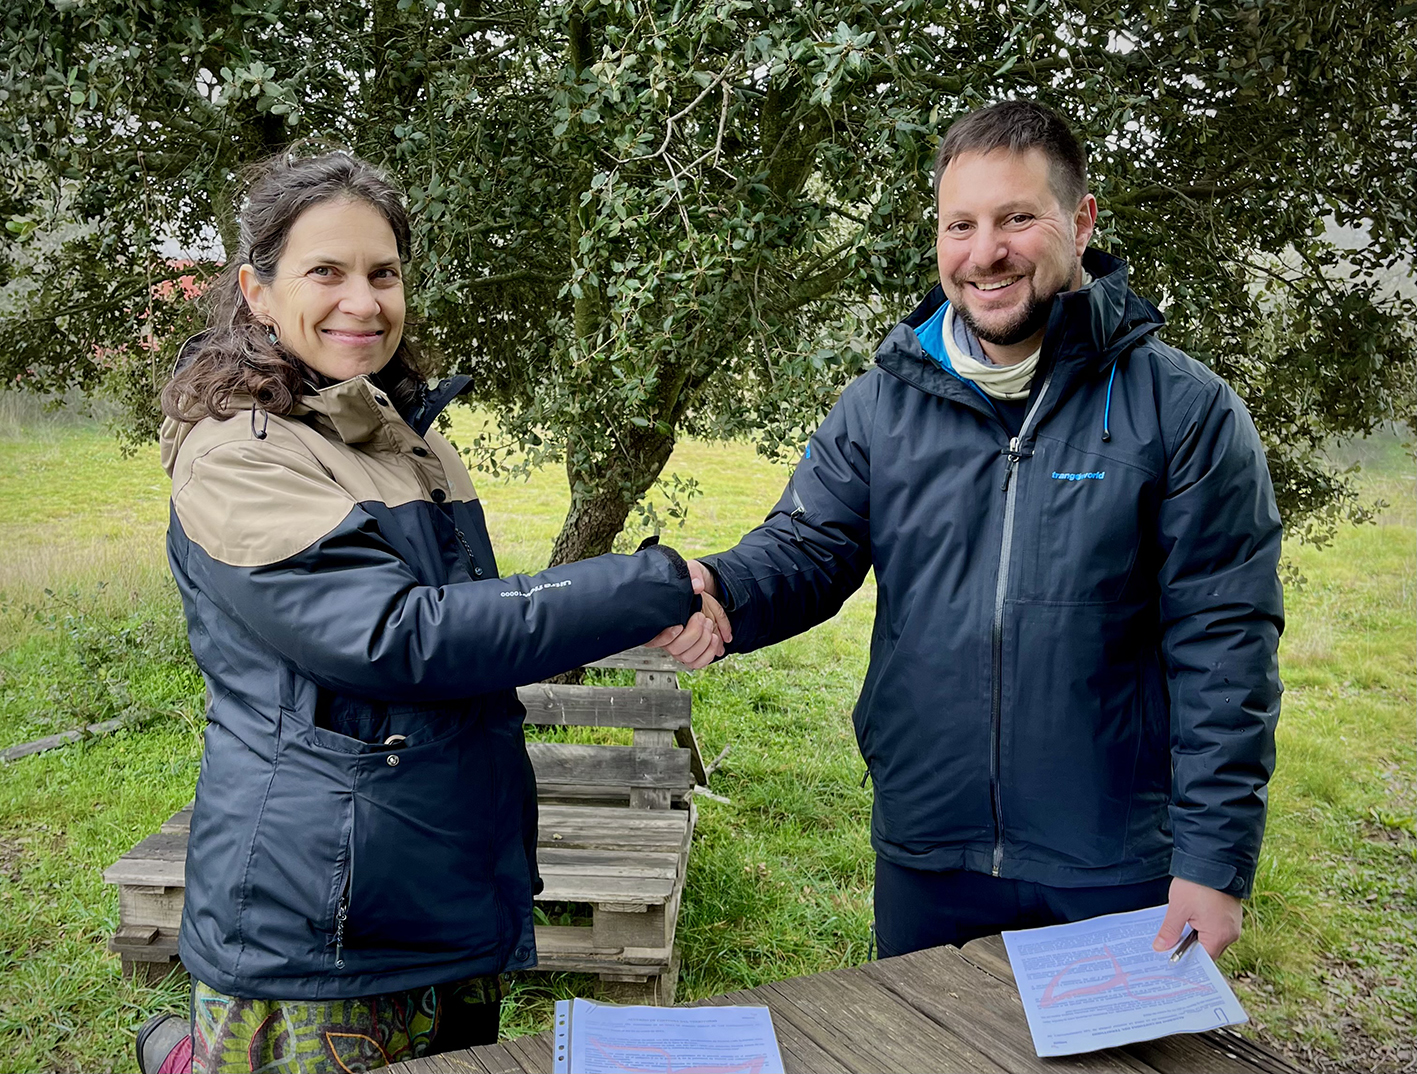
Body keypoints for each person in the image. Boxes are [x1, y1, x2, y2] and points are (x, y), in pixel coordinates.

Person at [137, 150, 729, 1074]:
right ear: (256, 292)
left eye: (383, 273)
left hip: (436, 875)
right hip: (321, 916)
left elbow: (474, 626)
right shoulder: (239, 453)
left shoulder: (403, 438)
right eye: (324, 272)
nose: (362, 301)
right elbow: (399, 640)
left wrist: (624, 609)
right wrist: (645, 587)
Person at [652, 100, 1282, 964]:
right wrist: (722, 588)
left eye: (1016, 218)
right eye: (960, 224)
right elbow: (808, 546)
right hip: (928, 848)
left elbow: (1225, 646)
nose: (983, 253)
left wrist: (1212, 862)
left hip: (1114, 859)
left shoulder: (1183, 411)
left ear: (1081, 220)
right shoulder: (884, 399)